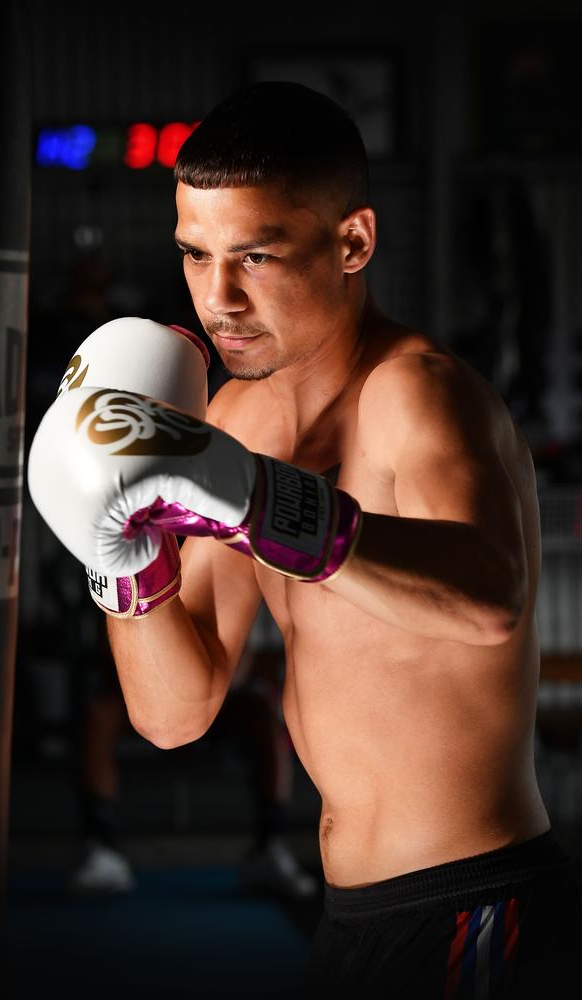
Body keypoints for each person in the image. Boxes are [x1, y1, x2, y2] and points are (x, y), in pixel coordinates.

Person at [29, 82, 581, 997]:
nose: (219, 297)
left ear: (352, 241)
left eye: (256, 255)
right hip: (352, 921)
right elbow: (175, 714)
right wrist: (125, 561)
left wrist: (263, 506)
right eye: (195, 255)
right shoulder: (235, 422)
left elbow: (491, 600)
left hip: (477, 907)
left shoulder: (417, 393)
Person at [68, 591, 317, 900]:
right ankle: (99, 844)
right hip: (142, 689)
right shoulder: (143, 553)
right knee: (99, 713)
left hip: (219, 689)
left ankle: (272, 844)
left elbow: (251, 654)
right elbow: (111, 649)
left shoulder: (234, 555)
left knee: (263, 713)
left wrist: (201, 690)